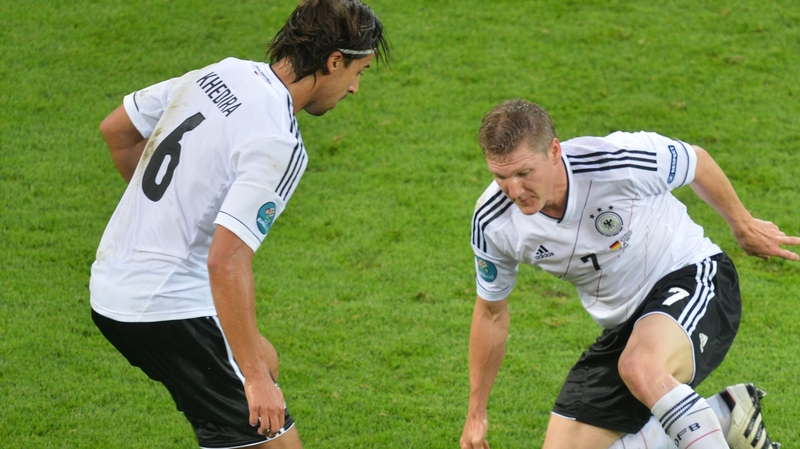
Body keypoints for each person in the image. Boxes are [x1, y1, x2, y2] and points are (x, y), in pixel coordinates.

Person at [89, 1, 389, 448]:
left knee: (266, 360)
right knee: (271, 422)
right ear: (334, 62)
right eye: (358, 72)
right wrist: (254, 380)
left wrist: (168, 216)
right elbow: (227, 260)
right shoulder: (279, 140)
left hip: (110, 286)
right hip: (164, 306)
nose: (354, 89)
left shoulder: (221, 73)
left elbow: (117, 130)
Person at [461, 99, 798, 449]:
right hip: (625, 328)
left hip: (693, 276)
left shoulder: (617, 161)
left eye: (524, 173)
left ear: (554, 151)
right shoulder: (493, 221)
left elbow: (696, 160)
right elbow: (490, 312)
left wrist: (741, 224)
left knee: (640, 365)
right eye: (501, 177)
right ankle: (724, 416)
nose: (514, 191)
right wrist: (476, 413)